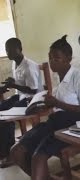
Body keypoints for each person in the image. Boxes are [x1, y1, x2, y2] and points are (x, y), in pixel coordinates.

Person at [10, 35, 80, 180]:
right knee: (16, 151)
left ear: (68, 58)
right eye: (50, 58)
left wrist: (57, 103)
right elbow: (55, 105)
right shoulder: (57, 78)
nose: (52, 62)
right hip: (53, 122)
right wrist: (41, 105)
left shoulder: (78, 77)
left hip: (71, 125)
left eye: (56, 58)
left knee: (38, 157)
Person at [0, 38, 42, 168]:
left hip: (32, 100)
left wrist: (15, 85)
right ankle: (3, 150)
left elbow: (33, 90)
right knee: (1, 111)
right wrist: (10, 84)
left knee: (6, 118)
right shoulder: (15, 63)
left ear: (20, 49)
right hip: (21, 97)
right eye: (7, 50)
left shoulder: (29, 66)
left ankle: (9, 154)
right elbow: (20, 83)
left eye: (10, 50)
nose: (8, 53)